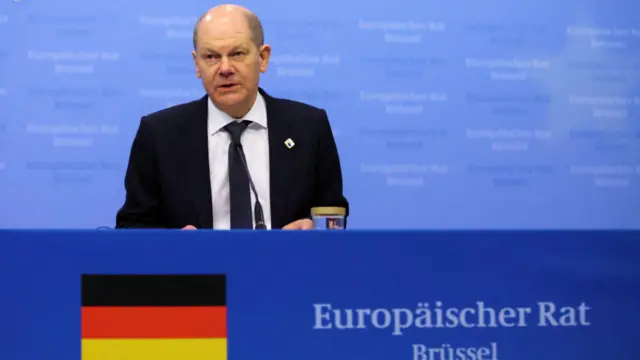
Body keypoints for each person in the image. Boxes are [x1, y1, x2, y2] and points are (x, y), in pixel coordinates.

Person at [115, 4, 348, 230]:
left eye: (237, 53)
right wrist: (173, 245)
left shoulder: (309, 128)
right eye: (211, 57)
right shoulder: (158, 135)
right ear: (197, 65)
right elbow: (132, 227)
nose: (225, 68)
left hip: (285, 267)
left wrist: (312, 227)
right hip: (197, 268)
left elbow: (333, 214)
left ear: (263, 57)